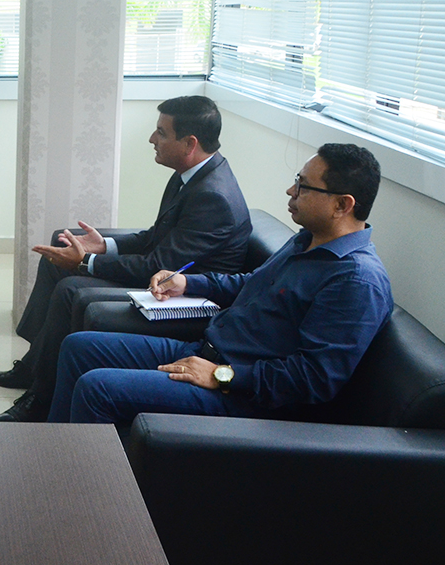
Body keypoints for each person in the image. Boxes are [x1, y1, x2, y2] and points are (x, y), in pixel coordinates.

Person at [48, 143, 392, 425]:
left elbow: (314, 379)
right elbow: (252, 283)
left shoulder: (356, 280)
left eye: (303, 186)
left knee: (97, 388)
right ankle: (50, 450)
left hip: (242, 396)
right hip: (204, 352)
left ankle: (76, 482)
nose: (291, 191)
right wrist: (187, 282)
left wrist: (222, 375)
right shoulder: (306, 240)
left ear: (342, 205)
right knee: (80, 347)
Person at [0, 95, 251, 422]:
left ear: (190, 143)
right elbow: (155, 237)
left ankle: (39, 401)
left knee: (71, 287)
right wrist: (104, 246)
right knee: (57, 254)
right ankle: (34, 367)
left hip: (185, 297)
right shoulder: (192, 175)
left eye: (161, 133)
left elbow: (158, 265)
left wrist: (85, 262)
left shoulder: (213, 196)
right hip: (164, 278)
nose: (152, 139)